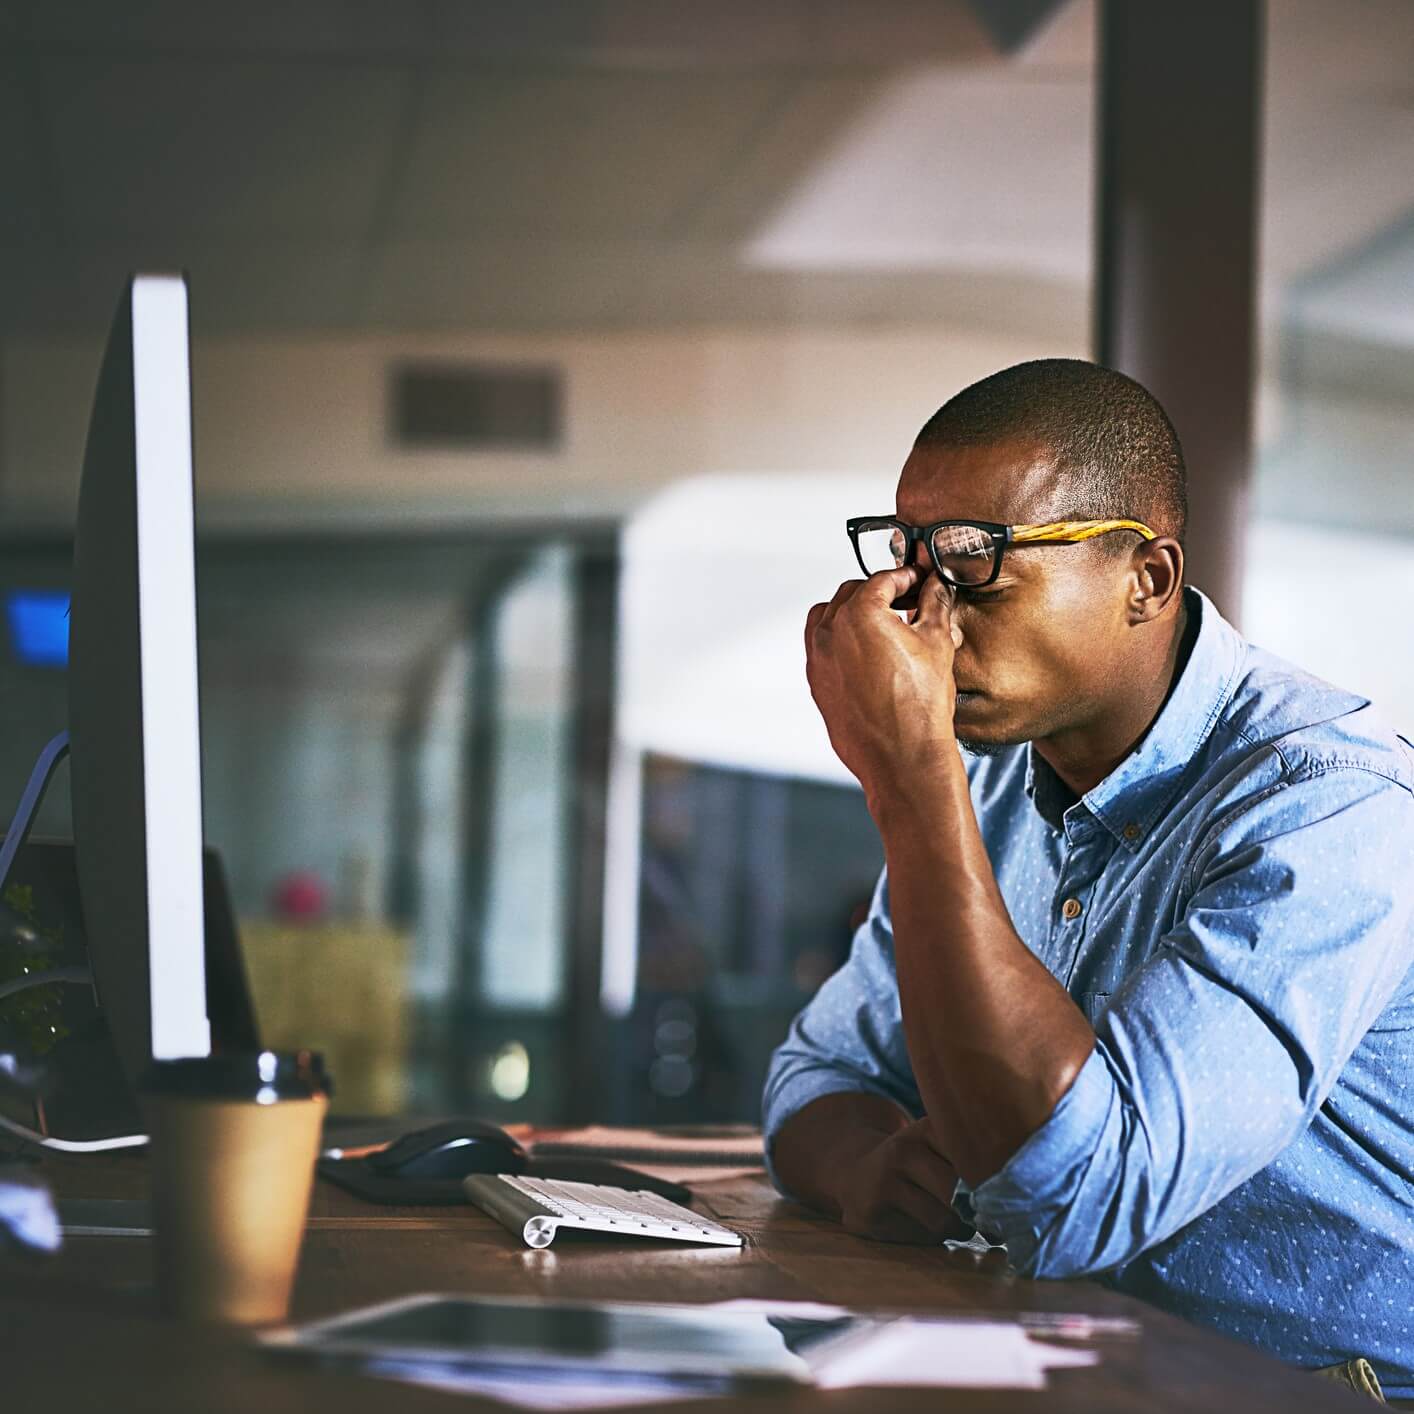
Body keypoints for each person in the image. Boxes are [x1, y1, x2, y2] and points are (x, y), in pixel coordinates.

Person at [764, 359, 1414, 1398]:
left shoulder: (1330, 805)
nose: (924, 619)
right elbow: (817, 1071)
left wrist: (909, 775)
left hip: (1325, 1389)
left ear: (1145, 579)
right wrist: (865, 1166)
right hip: (1081, 1365)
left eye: (974, 564)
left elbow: (1076, 1196)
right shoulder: (991, 784)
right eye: (910, 561)